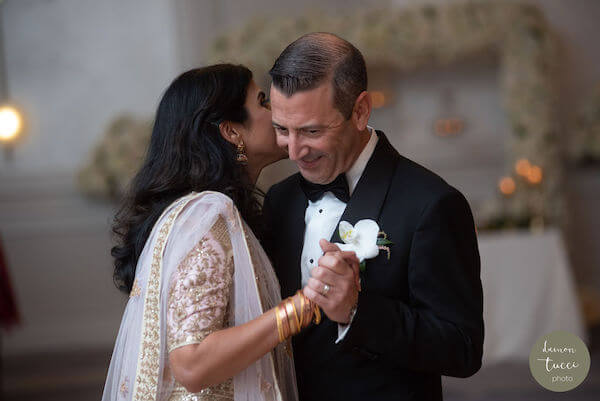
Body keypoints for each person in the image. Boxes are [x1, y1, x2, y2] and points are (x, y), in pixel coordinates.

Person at [263, 32, 485, 400]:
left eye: (311, 131)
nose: (294, 151)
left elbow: (462, 349)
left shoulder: (432, 204)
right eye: (282, 130)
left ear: (361, 111)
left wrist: (357, 310)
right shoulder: (278, 200)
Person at [102, 64, 342, 401]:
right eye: (262, 102)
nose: (277, 111)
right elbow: (192, 364)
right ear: (231, 131)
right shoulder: (208, 211)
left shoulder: (211, 212)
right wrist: (306, 305)